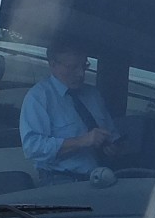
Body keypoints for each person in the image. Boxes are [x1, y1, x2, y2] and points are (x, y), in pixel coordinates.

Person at [19, 39, 123, 183]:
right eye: (72, 67)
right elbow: (33, 148)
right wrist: (83, 141)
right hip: (59, 182)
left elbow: (112, 135)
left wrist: (112, 146)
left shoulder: (93, 95)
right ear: (53, 65)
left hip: (101, 179)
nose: (80, 73)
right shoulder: (39, 97)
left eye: (84, 66)